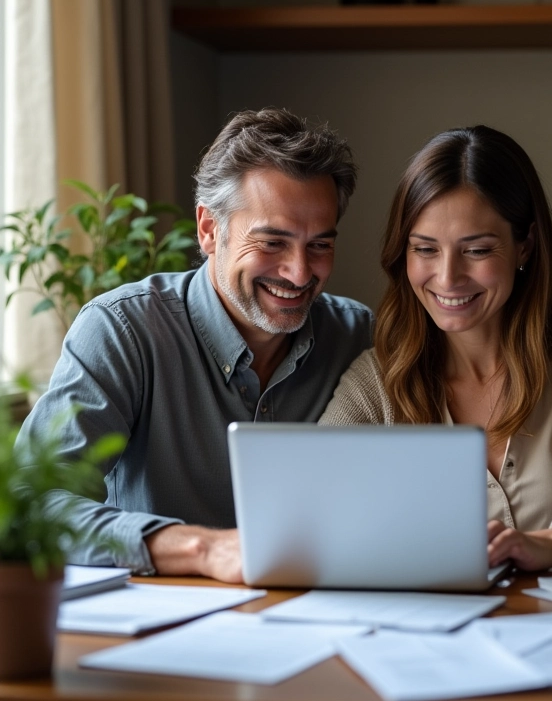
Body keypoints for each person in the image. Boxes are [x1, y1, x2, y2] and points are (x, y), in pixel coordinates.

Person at [320, 124, 552, 572]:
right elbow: (306, 512)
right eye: (425, 249)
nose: (447, 277)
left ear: (525, 246)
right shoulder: (376, 380)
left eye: (477, 251)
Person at [17, 108, 374, 582]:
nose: (299, 272)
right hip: (160, 617)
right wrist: (202, 550)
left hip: (318, 607)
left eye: (320, 245)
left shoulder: (357, 335)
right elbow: (32, 504)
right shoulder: (122, 330)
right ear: (209, 230)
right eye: (272, 243)